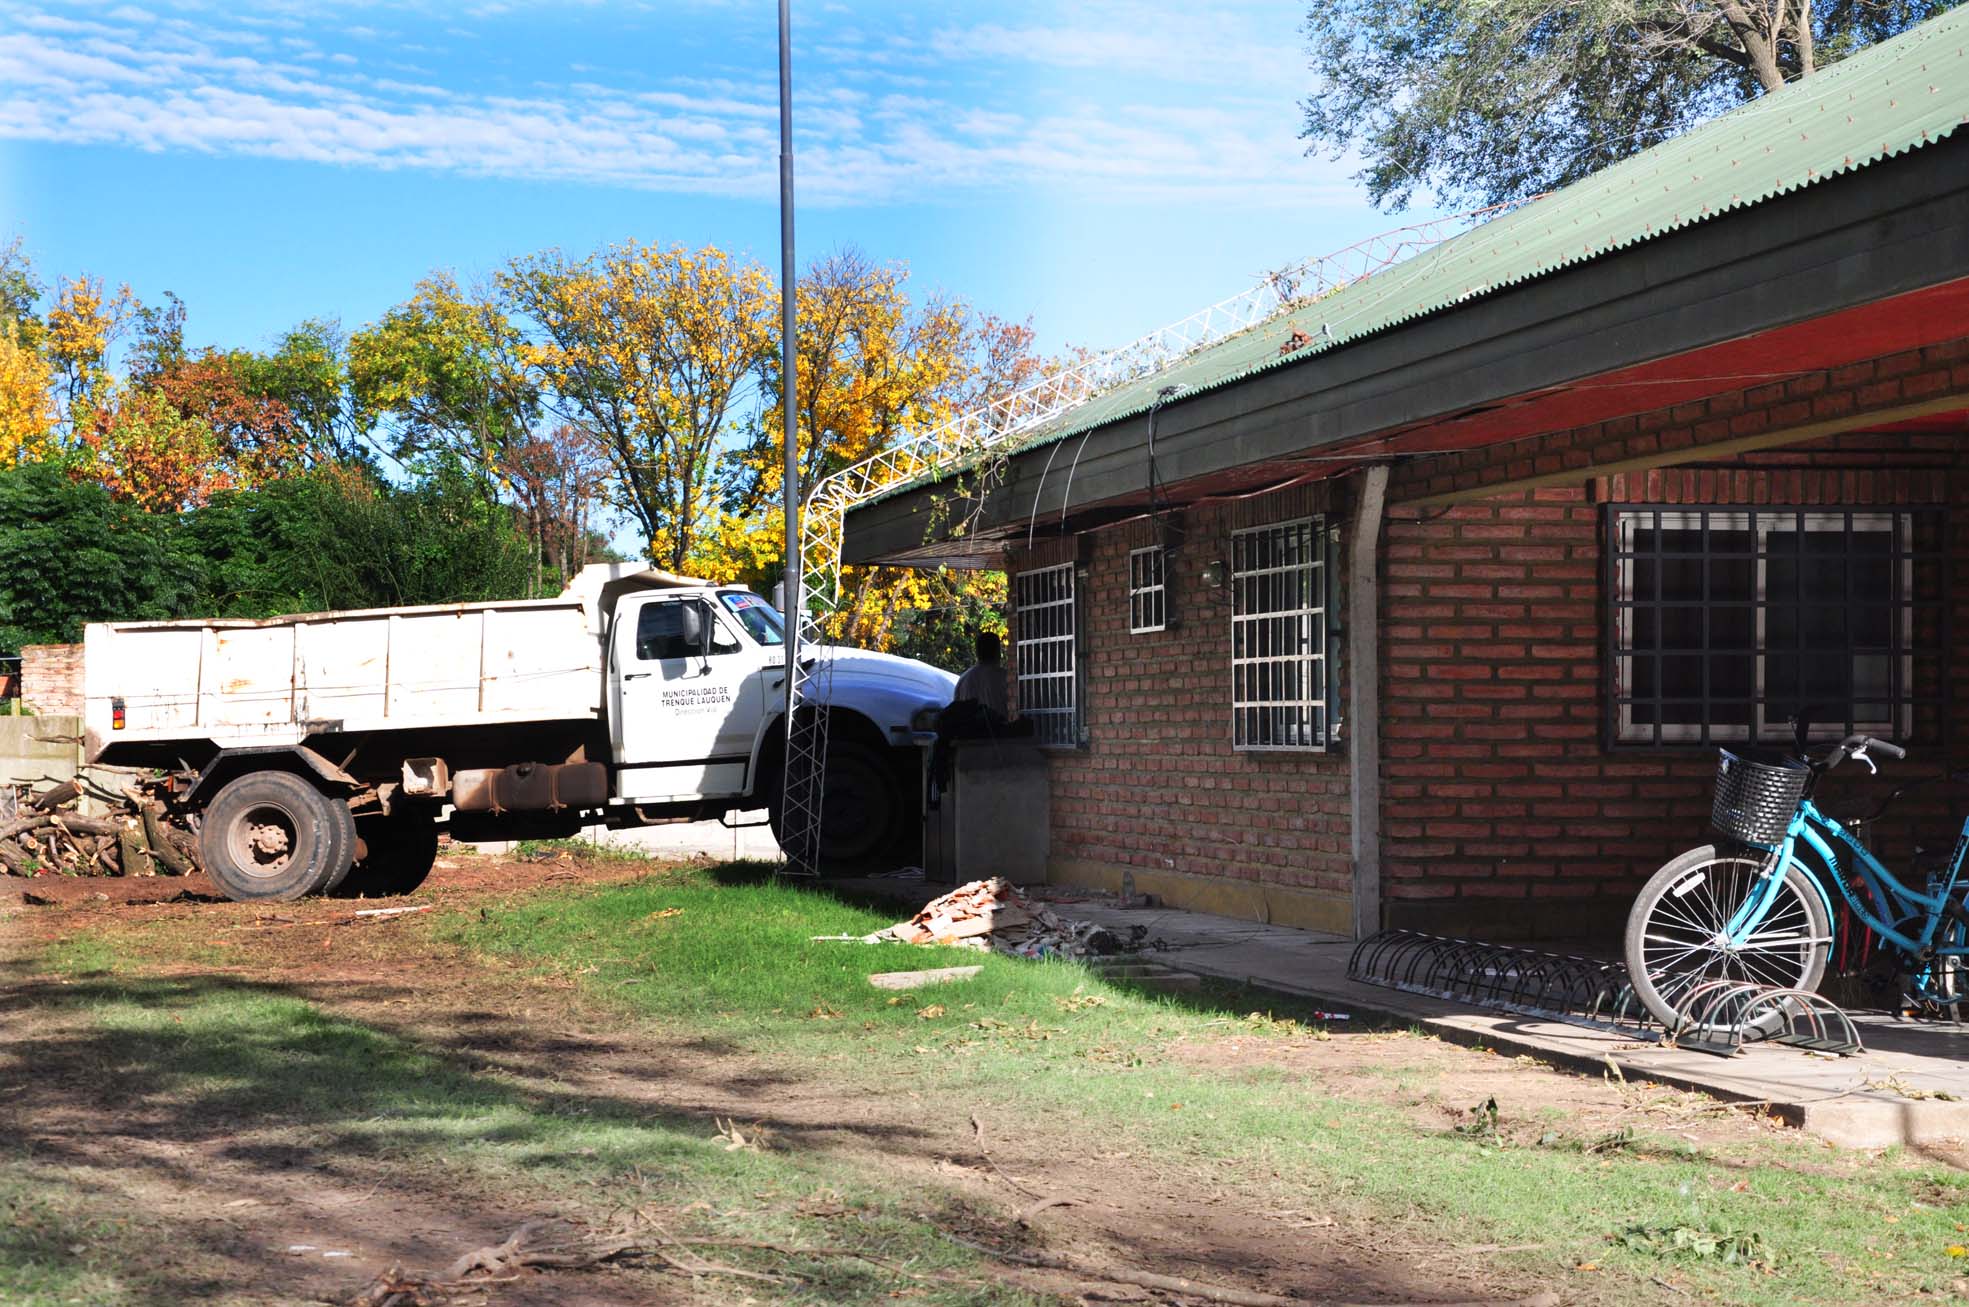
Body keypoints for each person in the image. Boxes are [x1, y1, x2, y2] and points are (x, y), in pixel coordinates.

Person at [951, 631, 1008, 721]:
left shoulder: (963, 679)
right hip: (997, 732)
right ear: (997, 651)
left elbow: (956, 711)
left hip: (970, 733)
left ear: (977, 652)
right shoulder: (1004, 677)